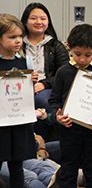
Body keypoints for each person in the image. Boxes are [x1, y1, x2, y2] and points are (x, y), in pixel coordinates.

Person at [47, 24, 92, 187]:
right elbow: (53, 101)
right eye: (77, 54)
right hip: (69, 132)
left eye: (88, 55)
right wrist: (58, 117)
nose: (83, 59)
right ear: (69, 47)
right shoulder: (63, 72)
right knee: (68, 171)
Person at [21, 2, 70, 141]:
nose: (38, 22)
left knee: (42, 100)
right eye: (33, 18)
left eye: (43, 18)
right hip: (20, 87)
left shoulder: (55, 45)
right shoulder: (18, 44)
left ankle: (43, 141)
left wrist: (44, 84)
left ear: (48, 22)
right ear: (25, 21)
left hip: (48, 87)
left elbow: (64, 73)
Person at [0, 14, 38, 188]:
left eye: (20, 37)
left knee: (17, 165)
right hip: (1, 123)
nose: (18, 41)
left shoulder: (25, 62)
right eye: (12, 37)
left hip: (19, 121)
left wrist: (32, 81)